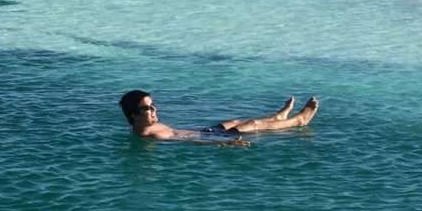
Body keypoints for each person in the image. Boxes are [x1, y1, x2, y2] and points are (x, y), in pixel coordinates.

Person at [119, 89, 318, 144]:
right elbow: (190, 142)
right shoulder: (153, 136)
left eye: (153, 104)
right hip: (210, 136)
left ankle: (278, 117)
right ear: (135, 115)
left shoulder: (137, 127)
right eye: (148, 108)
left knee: (236, 121)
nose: (154, 109)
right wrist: (223, 143)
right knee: (254, 124)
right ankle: (299, 120)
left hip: (204, 130)